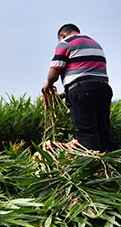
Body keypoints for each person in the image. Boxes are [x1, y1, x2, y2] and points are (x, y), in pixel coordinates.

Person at [41, 23, 117, 151]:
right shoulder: (95, 44)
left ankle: (92, 166)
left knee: (87, 133)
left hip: (83, 91)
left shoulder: (65, 42)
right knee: (103, 131)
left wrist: (48, 85)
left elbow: (55, 71)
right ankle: (113, 162)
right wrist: (61, 95)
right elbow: (87, 78)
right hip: (103, 89)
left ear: (62, 35)